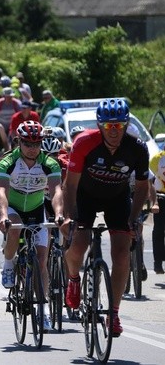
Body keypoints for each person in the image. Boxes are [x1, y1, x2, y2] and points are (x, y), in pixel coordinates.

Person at [60, 99, 150, 337]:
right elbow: (70, 185)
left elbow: (141, 188)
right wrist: (71, 217)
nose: (113, 131)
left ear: (126, 124)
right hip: (85, 196)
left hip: (117, 199)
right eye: (108, 126)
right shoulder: (84, 143)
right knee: (78, 243)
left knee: (122, 254)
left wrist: (135, 219)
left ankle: (114, 313)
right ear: (99, 125)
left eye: (119, 126)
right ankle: (73, 279)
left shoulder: (137, 148)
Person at [0, 120, 64, 332]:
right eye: (27, 144)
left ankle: (43, 310)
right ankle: (8, 264)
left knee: (42, 261)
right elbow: (2, 192)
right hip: (14, 207)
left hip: (36, 208)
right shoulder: (7, 162)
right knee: (15, 229)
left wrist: (60, 214)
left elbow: (56, 191)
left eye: (37, 144)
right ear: (18, 142)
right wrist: (4, 215)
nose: (32, 148)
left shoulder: (49, 164)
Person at [150, 148, 165, 274]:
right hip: (161, 197)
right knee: (159, 230)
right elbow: (151, 180)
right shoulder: (157, 159)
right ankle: (158, 263)